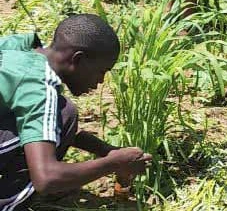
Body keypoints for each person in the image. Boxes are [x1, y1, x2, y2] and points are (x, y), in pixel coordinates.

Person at [0, 14, 152, 209]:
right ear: (77, 60)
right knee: (65, 113)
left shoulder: (21, 46)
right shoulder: (39, 87)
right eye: (101, 71)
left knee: (63, 114)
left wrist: (107, 151)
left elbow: (52, 129)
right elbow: (46, 178)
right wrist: (113, 164)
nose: (100, 82)